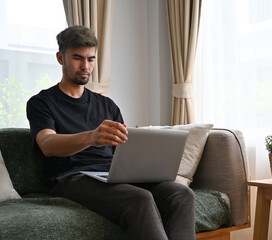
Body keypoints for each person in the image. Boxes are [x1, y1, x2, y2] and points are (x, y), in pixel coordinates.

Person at [26, 25, 195, 240]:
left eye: (91, 59)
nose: (85, 66)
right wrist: (91, 137)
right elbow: (47, 144)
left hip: (111, 177)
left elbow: (125, 151)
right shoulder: (41, 103)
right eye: (78, 58)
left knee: (180, 193)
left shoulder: (107, 105)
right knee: (139, 199)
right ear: (60, 58)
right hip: (71, 179)